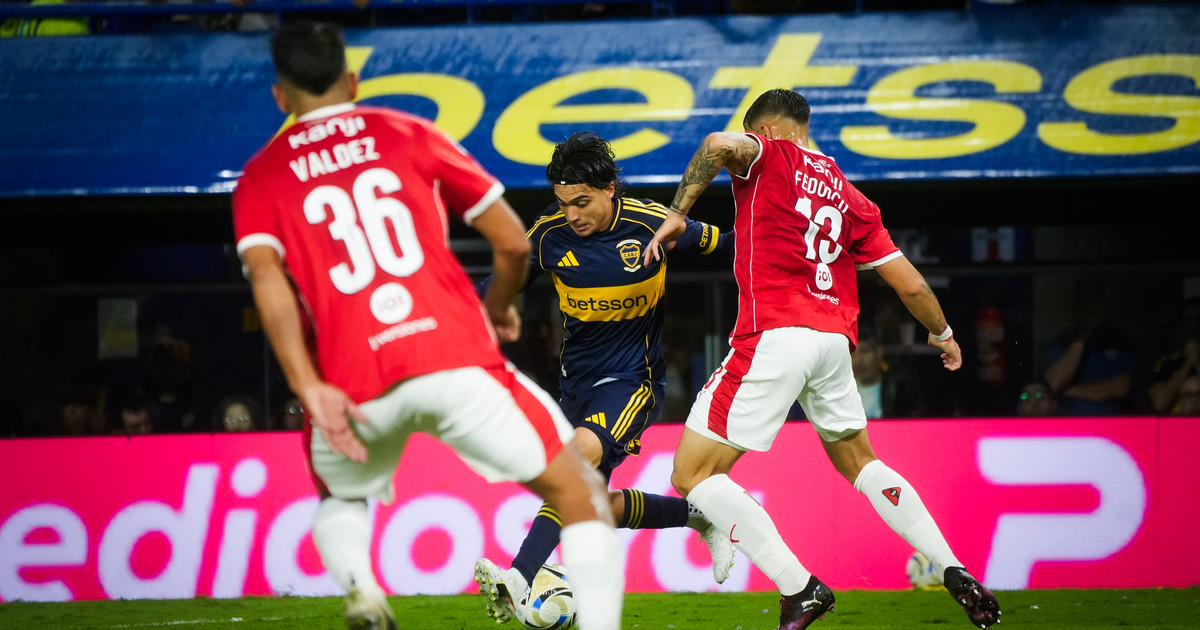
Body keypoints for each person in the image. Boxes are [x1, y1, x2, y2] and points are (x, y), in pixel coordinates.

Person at [233, 21, 623, 630]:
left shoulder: (260, 178)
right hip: (455, 359)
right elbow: (513, 244)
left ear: (280, 96)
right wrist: (499, 306)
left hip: (352, 382)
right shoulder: (406, 132)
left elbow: (270, 287)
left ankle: (363, 591)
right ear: (352, 81)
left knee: (341, 498)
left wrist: (307, 386)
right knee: (580, 494)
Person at [644, 88, 1000, 630]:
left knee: (691, 473)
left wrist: (676, 214)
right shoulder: (853, 199)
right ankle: (953, 568)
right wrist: (944, 334)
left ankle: (799, 587)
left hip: (775, 333)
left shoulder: (769, 155)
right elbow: (910, 283)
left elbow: (716, 144)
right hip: (834, 343)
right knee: (862, 463)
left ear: (764, 131)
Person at [472, 131, 736, 623]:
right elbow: (496, 287)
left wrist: (798, 247)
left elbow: (729, 248)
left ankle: (520, 576)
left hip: (632, 380)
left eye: (582, 202)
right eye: (563, 203)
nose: (572, 214)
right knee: (592, 506)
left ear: (610, 188)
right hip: (574, 386)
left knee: (571, 467)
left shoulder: (652, 223)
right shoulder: (549, 236)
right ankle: (699, 518)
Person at [1040, 276, 1136, 416]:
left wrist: (1067, 391)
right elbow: (1052, 385)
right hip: (1067, 423)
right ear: (1075, 304)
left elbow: (1120, 387)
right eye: (1083, 299)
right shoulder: (1059, 343)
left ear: (1104, 303)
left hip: (1110, 424)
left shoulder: (1119, 342)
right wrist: (1083, 336)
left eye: (1094, 297)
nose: (1089, 304)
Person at [1147, 296, 1200, 414]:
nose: (1195, 324)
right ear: (1182, 324)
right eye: (1189, 319)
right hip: (1179, 424)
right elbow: (1159, 403)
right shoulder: (1168, 362)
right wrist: (1189, 362)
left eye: (1199, 318)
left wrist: (1197, 363)